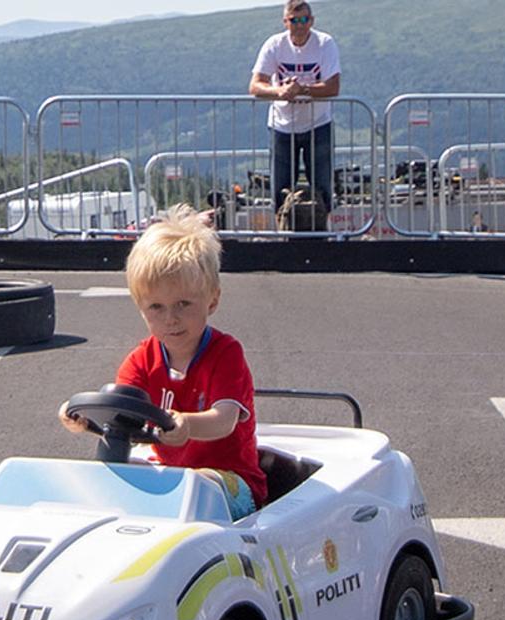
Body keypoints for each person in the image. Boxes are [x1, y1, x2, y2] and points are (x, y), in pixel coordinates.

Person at [59, 204, 266, 520]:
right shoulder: (142, 360)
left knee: (198, 489)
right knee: (104, 479)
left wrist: (185, 423)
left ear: (212, 299)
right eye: (156, 307)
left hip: (230, 480)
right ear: (141, 308)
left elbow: (224, 420)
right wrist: (84, 420)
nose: (171, 319)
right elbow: (121, 416)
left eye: (183, 304)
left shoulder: (226, 354)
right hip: (172, 473)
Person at [249, 0, 341, 223]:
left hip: (317, 123)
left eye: (304, 20)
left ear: (312, 21)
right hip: (282, 125)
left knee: (322, 184)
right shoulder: (274, 44)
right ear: (285, 22)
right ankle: (284, 230)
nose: (300, 25)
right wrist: (280, 91)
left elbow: (333, 86)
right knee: (280, 187)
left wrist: (303, 90)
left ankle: (321, 231)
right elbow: (255, 86)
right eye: (294, 20)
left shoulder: (325, 43)